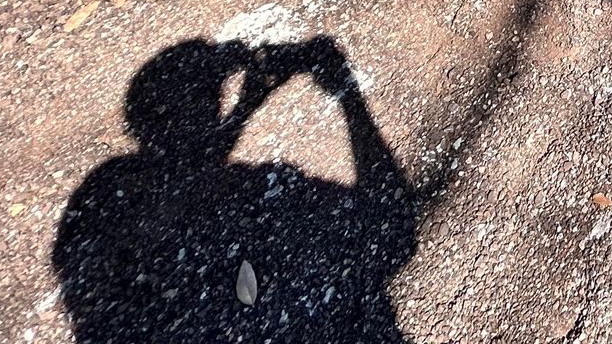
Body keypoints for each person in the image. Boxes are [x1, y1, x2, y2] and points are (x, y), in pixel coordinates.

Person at [53, 36, 415, 343]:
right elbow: (393, 224)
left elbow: (183, 179)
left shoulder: (109, 189)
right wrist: (348, 97)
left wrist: (245, 106)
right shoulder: (241, 191)